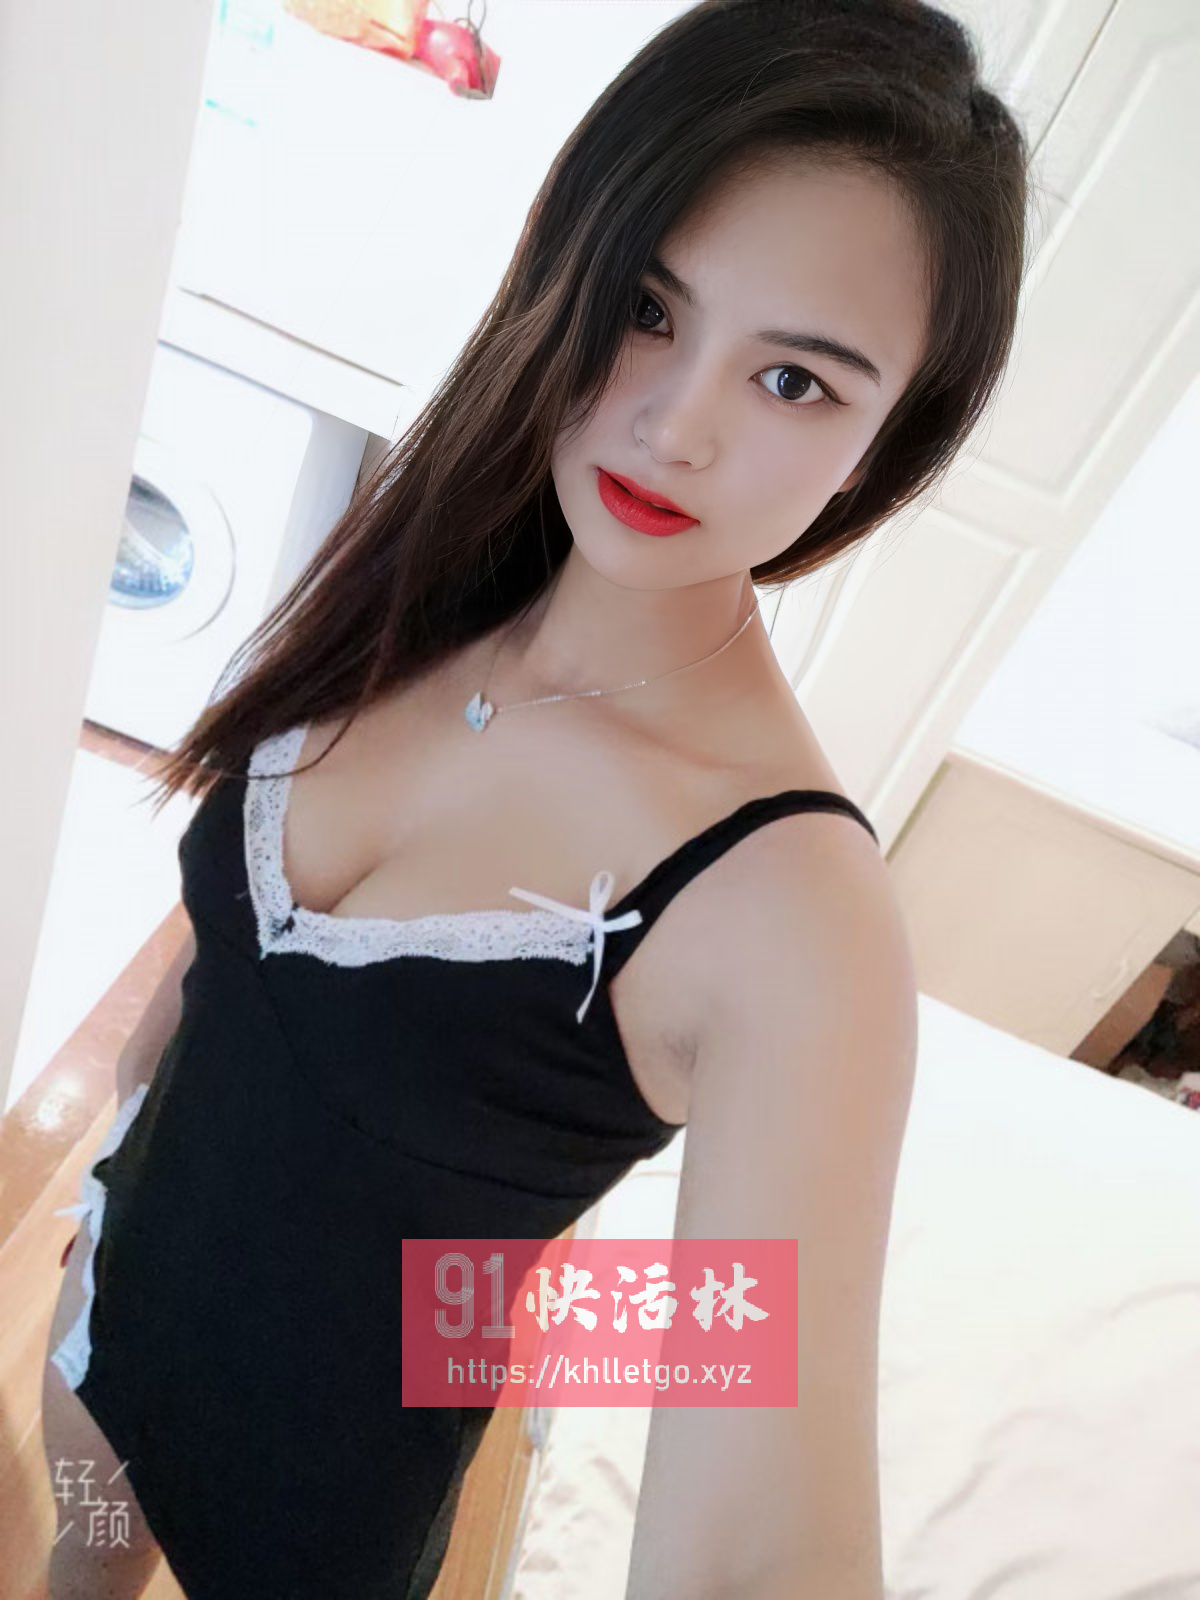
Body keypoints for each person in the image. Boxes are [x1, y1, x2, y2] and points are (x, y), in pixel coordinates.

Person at [41, 0, 1029, 1594]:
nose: (675, 423)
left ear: (879, 450)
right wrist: (108, 1153)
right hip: (99, 1332)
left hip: (311, 1509)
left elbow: (756, 1529)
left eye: (795, 381)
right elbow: (223, 975)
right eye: (647, 307)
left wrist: (513, 1315)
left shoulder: (790, 910)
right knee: (72, 1567)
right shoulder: (420, 579)